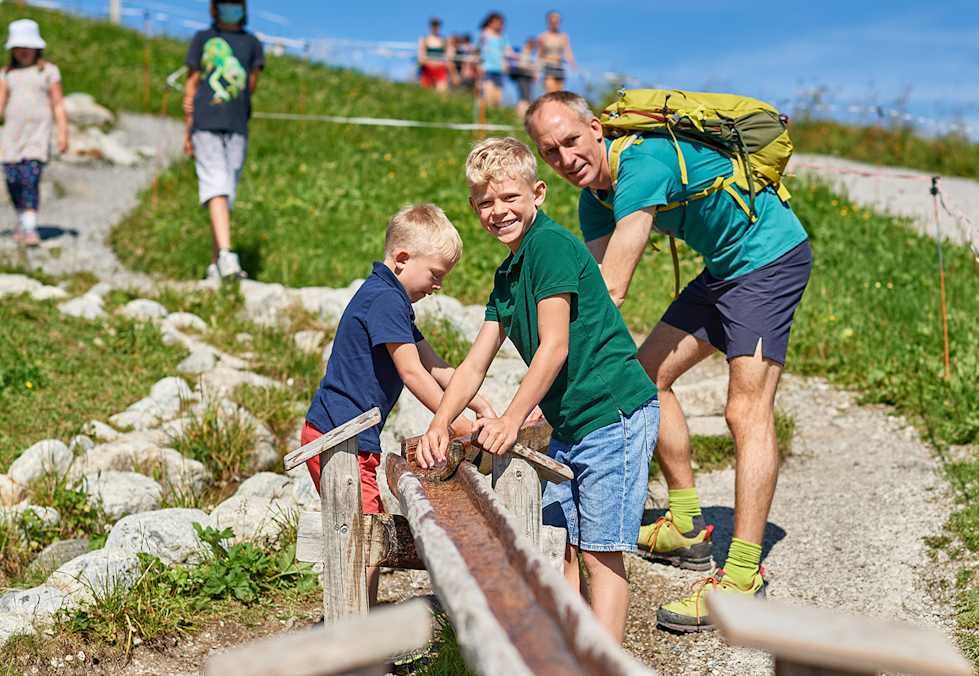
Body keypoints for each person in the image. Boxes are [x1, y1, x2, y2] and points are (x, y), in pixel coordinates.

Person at [525, 91, 813, 632]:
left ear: (596, 128)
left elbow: (610, 289)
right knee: (646, 376)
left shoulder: (643, 162)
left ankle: (743, 577)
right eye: (550, 152)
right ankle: (685, 524)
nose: (566, 159)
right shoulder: (596, 198)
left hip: (769, 259)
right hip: (724, 271)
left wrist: (549, 378)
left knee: (744, 412)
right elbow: (576, 295)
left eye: (571, 141)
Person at [416, 137, 659, 642]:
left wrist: (510, 418)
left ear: (538, 194)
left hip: (613, 410)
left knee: (600, 549)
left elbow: (554, 348)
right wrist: (439, 423)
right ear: (473, 209)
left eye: (508, 198)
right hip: (572, 422)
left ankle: (603, 660)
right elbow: (474, 364)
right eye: (485, 203)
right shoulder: (508, 275)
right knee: (561, 541)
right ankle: (568, 649)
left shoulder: (549, 246)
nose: (497, 211)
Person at [304, 203, 497, 606]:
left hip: (352, 436)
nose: (438, 286)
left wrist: (480, 405)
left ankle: (359, 623)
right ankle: (358, 634)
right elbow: (412, 374)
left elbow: (437, 366)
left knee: (362, 531)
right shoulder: (385, 300)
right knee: (363, 535)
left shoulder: (390, 299)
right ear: (402, 258)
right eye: (435, 275)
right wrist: (455, 425)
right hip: (340, 439)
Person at [183, 0, 264, 280]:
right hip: (205, 122)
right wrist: (188, 129)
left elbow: (250, 84)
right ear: (215, 7)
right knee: (216, 183)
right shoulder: (202, 39)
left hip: (237, 125)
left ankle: (215, 262)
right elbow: (191, 85)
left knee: (225, 192)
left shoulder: (252, 43)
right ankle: (228, 256)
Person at [0, 19, 68, 248]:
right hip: (11, 137)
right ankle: (21, 219)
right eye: (19, 48)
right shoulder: (6, 74)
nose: (23, 52)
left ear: (37, 47)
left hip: (37, 136)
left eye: (27, 47)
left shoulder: (47, 72)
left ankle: (30, 227)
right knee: (12, 179)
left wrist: (63, 133)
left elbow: (58, 104)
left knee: (30, 178)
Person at [477, 12, 513, 110]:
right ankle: (486, 114)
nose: (500, 25)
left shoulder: (503, 38)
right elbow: (479, 51)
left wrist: (507, 64)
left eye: (501, 23)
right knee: (488, 94)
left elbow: (508, 52)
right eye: (498, 22)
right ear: (491, 22)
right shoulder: (484, 34)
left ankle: (494, 115)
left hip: (500, 70)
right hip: (487, 69)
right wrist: (480, 65)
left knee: (498, 98)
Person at [536, 10, 574, 94]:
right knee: (551, 93)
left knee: (560, 94)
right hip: (548, 66)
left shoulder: (563, 36)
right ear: (549, 21)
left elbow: (568, 52)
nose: (555, 22)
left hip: (560, 67)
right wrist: (537, 70)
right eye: (553, 20)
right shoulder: (543, 36)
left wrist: (574, 66)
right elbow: (539, 54)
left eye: (557, 20)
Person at [417, 17, 454, 92]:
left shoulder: (445, 41)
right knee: (425, 94)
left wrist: (453, 73)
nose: (435, 27)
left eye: (437, 25)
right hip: (427, 69)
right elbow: (421, 56)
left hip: (440, 69)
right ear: (430, 26)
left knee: (441, 94)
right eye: (433, 25)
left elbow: (449, 57)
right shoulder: (424, 40)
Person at [508, 37, 537, 118]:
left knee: (526, 98)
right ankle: (520, 116)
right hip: (522, 76)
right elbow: (522, 65)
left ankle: (523, 115)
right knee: (524, 98)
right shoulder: (523, 52)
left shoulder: (531, 54)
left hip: (527, 77)